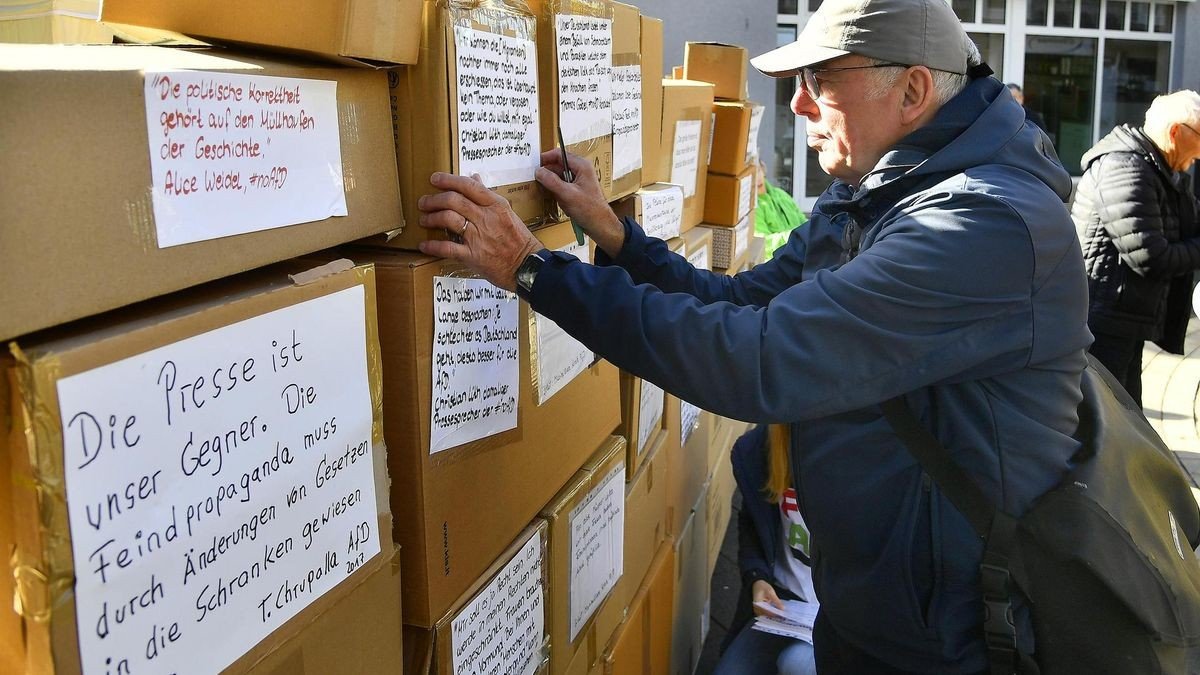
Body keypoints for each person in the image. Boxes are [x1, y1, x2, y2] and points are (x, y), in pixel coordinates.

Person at [414, 0, 1090, 670]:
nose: (797, 106)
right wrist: (614, 233)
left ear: (912, 89)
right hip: (872, 610)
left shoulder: (980, 225)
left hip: (958, 645)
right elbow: (740, 302)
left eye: (820, 82)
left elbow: (756, 360)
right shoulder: (875, 196)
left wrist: (533, 270)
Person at [1072, 90, 1200, 406]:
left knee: (1126, 421)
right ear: (1175, 132)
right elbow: (1150, 256)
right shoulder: (1124, 168)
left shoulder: (1156, 166)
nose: (1198, 156)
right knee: (1108, 426)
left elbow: (1185, 220)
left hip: (1124, 320)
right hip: (1103, 323)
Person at [714, 425, 818, 675]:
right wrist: (757, 577)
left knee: (797, 665)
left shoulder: (867, 454)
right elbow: (752, 523)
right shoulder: (763, 448)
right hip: (785, 606)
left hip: (842, 615)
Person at [754, 160, 808, 261]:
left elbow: (803, 221)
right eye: (751, 174)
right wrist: (796, 237)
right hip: (779, 262)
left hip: (802, 255)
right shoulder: (752, 207)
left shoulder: (781, 194)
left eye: (757, 171)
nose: (756, 178)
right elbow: (763, 244)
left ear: (763, 170)